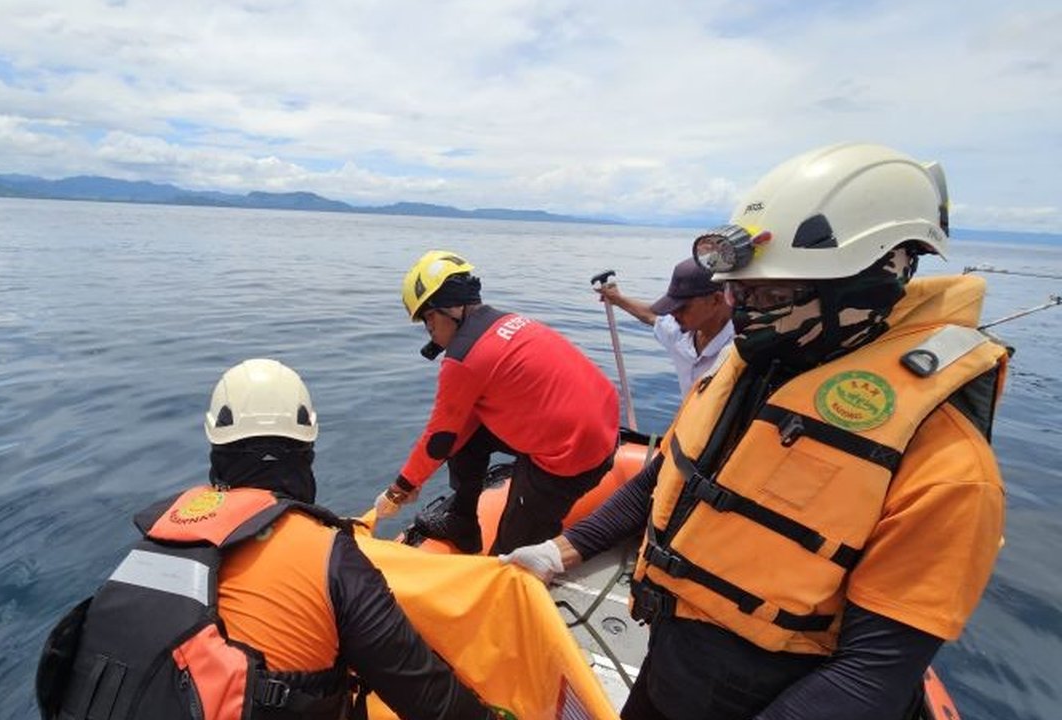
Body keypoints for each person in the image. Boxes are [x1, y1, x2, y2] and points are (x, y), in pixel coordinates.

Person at [501, 143, 1008, 720]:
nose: (745, 313)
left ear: (867, 283)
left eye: (770, 295)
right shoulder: (741, 374)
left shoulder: (950, 468)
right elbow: (668, 477)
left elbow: (876, 670)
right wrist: (559, 550)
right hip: (671, 670)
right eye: (737, 293)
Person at [36, 359, 492, 720]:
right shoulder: (330, 555)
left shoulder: (153, 542)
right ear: (307, 454)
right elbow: (425, 693)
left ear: (217, 454)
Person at [374, 251, 619, 556]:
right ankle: (462, 522)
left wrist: (399, 489)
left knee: (510, 559)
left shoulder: (464, 358)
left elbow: (439, 438)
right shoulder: (507, 321)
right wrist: (414, 480)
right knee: (467, 437)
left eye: (427, 320)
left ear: (443, 311)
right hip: (601, 431)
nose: (431, 333)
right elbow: (458, 428)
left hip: (569, 457)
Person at [597, 258, 734, 397]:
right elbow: (651, 316)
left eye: (682, 307)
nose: (673, 313)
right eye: (672, 306)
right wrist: (618, 299)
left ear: (716, 300)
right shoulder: (680, 332)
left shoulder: (740, 348)